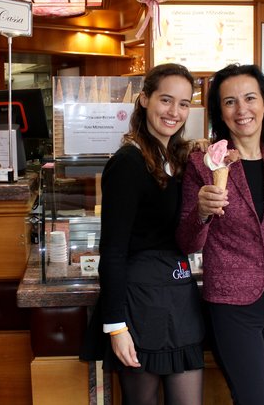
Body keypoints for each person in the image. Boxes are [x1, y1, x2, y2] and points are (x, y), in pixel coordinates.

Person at [176, 63, 264, 405]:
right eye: (229, 101)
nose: (241, 109)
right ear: (220, 111)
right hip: (232, 303)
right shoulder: (203, 163)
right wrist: (202, 213)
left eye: (250, 98)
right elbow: (187, 242)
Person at [81, 63, 205, 405]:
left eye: (183, 103)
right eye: (166, 100)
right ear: (145, 99)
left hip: (180, 296)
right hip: (139, 303)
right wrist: (116, 327)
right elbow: (114, 250)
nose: (174, 112)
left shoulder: (178, 159)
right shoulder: (127, 163)